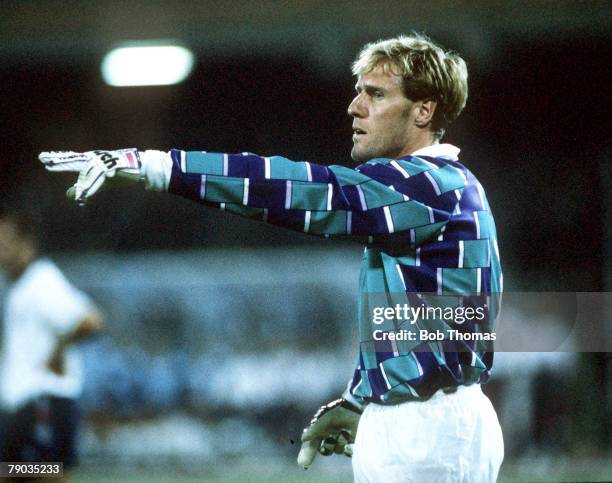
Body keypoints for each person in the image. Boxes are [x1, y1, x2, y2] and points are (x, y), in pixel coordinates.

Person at [39, 33, 504, 482]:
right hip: (428, 421)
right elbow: (423, 321)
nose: (355, 106)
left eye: (376, 94)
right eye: (358, 91)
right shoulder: (441, 187)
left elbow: (303, 191)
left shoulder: (425, 186)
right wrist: (362, 399)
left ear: (424, 110)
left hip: (426, 430)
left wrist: (162, 168)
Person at [0, 206, 103, 481]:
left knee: (46, 474)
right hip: (24, 405)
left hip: (43, 401)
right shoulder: (17, 284)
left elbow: (91, 320)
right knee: (12, 474)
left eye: (6, 242)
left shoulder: (42, 280)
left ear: (26, 243)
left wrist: (57, 351)